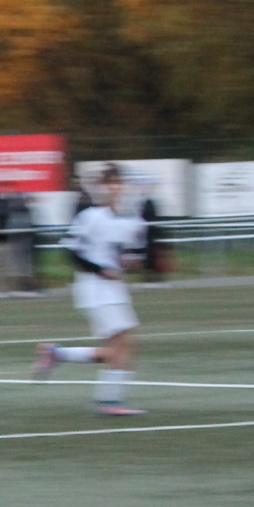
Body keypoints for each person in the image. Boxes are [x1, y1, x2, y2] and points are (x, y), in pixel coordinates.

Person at [31, 165, 147, 415]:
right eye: (109, 183)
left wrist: (132, 262)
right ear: (100, 187)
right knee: (122, 344)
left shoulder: (130, 219)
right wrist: (99, 269)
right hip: (95, 289)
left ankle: (58, 354)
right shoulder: (91, 216)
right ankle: (109, 402)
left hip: (115, 289)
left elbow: (130, 255)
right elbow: (71, 251)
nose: (114, 188)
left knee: (121, 347)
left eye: (118, 182)